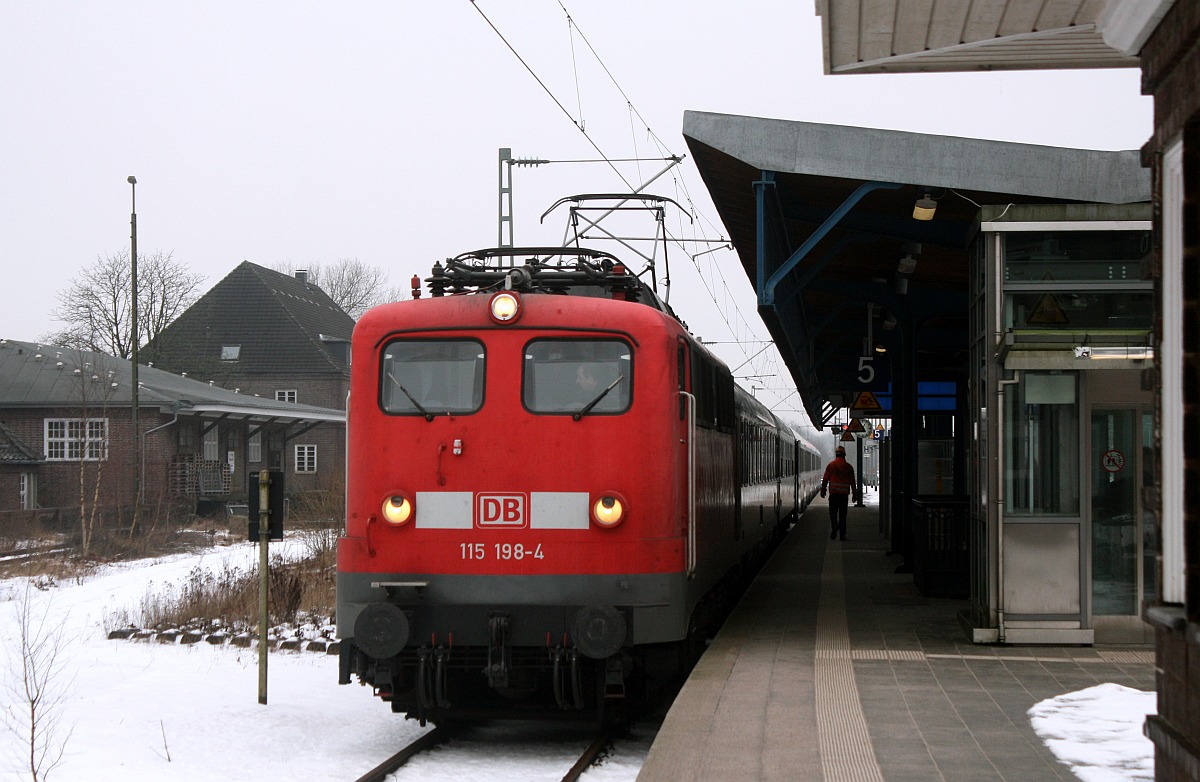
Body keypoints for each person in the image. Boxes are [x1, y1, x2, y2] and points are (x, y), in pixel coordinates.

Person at [820, 445, 857, 541]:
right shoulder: (849, 467)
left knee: (832, 513)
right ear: (844, 455)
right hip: (844, 496)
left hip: (834, 494)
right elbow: (853, 482)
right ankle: (842, 535)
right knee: (843, 515)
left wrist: (823, 490)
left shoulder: (831, 466)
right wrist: (855, 494)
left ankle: (835, 526)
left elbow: (825, 479)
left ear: (836, 455)